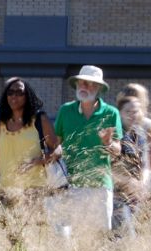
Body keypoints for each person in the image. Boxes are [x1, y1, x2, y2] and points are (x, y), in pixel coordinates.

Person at [50, 65, 123, 233]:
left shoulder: (111, 113)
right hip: (70, 184)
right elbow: (56, 143)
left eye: (90, 84)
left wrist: (107, 142)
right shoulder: (65, 110)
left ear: (98, 88)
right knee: (71, 236)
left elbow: (117, 151)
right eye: (81, 82)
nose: (84, 86)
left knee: (99, 237)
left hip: (100, 185)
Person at [0, 77, 58, 193]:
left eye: (19, 92)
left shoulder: (39, 119)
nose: (14, 96)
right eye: (10, 93)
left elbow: (57, 151)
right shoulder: (0, 124)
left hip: (33, 189)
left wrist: (36, 162)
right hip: (5, 190)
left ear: (27, 96)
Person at [112, 93, 151, 234]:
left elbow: (146, 163)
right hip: (118, 194)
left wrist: (143, 184)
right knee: (124, 234)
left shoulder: (139, 132)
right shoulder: (113, 133)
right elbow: (108, 167)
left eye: (136, 111)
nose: (132, 115)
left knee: (138, 231)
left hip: (137, 194)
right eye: (128, 112)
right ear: (119, 113)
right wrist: (129, 183)